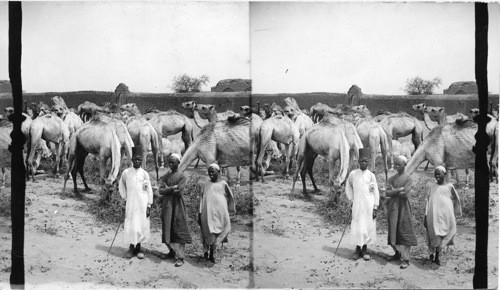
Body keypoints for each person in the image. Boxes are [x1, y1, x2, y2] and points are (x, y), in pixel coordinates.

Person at [382, 156, 418, 269]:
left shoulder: (408, 179)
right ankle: (396, 254)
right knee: (393, 229)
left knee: (404, 229)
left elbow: (406, 194)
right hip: (393, 207)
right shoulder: (392, 178)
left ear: (405, 165)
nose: (397, 166)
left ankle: (406, 259)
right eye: (396, 164)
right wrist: (398, 190)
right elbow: (386, 192)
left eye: (399, 164)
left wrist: (394, 191)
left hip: (404, 208)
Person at [118, 146, 154, 259]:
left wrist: (149, 205)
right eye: (135, 159)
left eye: (139, 159)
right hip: (131, 203)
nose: (137, 161)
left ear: (141, 160)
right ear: (132, 160)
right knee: (131, 225)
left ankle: (138, 248)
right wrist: (125, 198)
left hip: (142, 204)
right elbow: (121, 186)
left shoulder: (144, 173)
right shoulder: (126, 172)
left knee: (141, 225)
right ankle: (131, 247)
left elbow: (149, 190)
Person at [157, 153, 192, 267]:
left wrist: (168, 189)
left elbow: (180, 192)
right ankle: (171, 252)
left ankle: (181, 257)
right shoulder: (167, 175)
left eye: (173, 162)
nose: (170, 164)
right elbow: (160, 190)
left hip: (177, 206)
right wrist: (172, 188)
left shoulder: (182, 176)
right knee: (167, 227)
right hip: (167, 205)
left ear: (178, 163)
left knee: (178, 227)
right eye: (169, 162)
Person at [345, 148, 380, 261]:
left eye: (366, 161)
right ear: (358, 162)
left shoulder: (371, 175)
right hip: (357, 204)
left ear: (368, 162)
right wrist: (351, 199)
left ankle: (364, 249)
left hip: (369, 206)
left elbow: (375, 192)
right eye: (362, 161)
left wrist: (375, 207)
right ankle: (357, 249)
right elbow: (348, 187)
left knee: (367, 226)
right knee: (358, 226)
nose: (364, 163)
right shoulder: (353, 174)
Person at [424, 166, 462, 266]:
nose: (437, 176)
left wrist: (453, 212)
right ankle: (431, 255)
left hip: (445, 217)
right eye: (435, 174)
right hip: (433, 216)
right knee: (433, 235)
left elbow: (456, 200)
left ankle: (437, 256)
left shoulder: (449, 186)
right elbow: (427, 201)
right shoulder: (431, 186)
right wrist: (425, 215)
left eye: (439, 173)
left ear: (444, 174)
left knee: (445, 234)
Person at [199, 163, 236, 263]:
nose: (211, 174)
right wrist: (199, 213)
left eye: (213, 172)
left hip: (220, 214)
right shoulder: (206, 184)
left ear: (219, 172)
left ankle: (212, 252)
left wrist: (230, 209)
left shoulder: (223, 184)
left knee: (220, 231)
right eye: (209, 172)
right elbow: (202, 199)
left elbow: (230, 197)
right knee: (207, 232)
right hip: (207, 214)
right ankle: (206, 253)